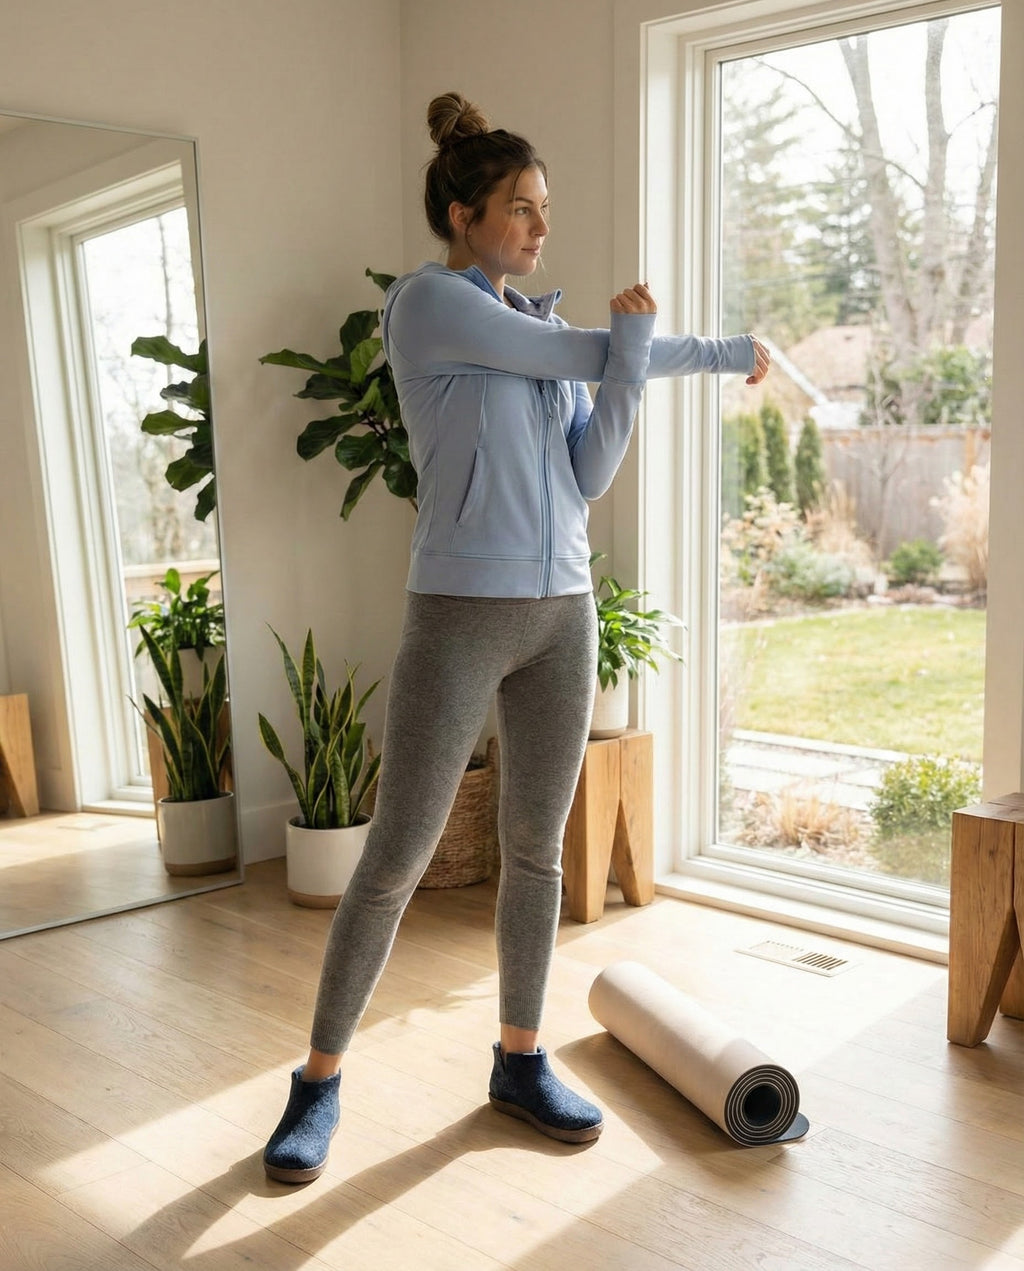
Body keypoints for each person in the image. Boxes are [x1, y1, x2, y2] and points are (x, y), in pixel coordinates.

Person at [263, 91, 770, 1184]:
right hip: (459, 614)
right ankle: (317, 1079)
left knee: (536, 849)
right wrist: (716, 347)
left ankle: (519, 1057)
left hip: (563, 613)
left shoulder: (537, 329)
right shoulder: (429, 305)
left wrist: (629, 364)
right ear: (461, 213)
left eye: (544, 209)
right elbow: (591, 351)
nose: (541, 229)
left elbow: (586, 473)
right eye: (520, 209)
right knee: (396, 857)